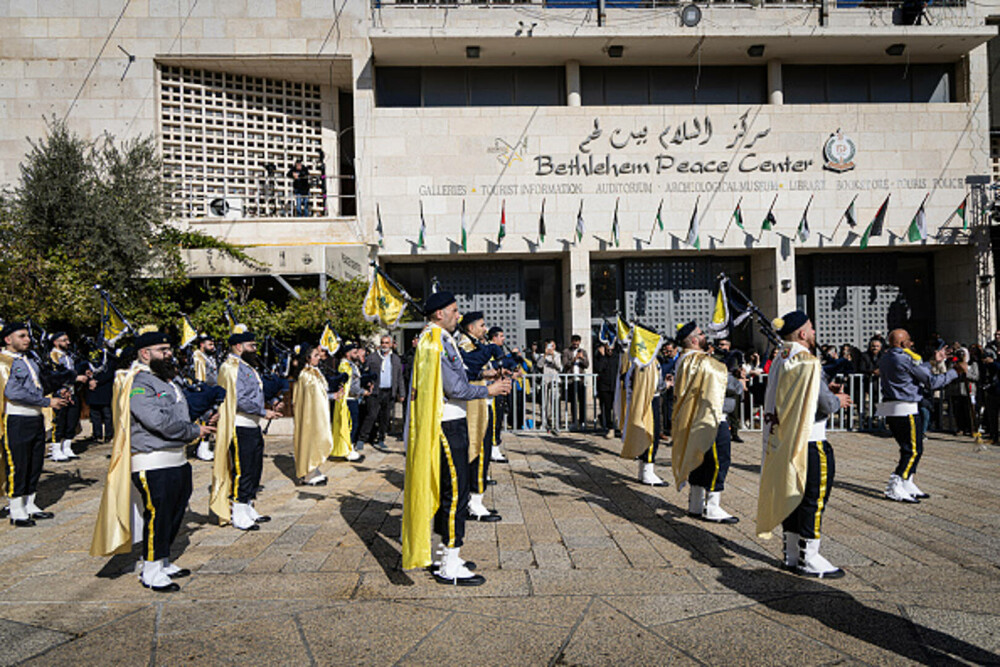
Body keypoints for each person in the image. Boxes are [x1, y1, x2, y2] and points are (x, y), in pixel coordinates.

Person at [90, 326, 215, 592]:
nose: (169, 354)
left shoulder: (165, 379)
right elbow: (156, 420)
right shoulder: (137, 382)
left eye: (169, 349)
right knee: (157, 517)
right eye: (163, 350)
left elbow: (180, 412)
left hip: (176, 458)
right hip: (152, 461)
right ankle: (151, 569)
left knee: (173, 513)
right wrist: (194, 431)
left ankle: (163, 559)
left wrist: (203, 416)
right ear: (145, 354)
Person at [400, 291, 511, 586]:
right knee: (456, 494)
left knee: (449, 493)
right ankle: (449, 562)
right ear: (439, 314)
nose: (458, 316)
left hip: (447, 423)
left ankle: (443, 554)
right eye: (454, 310)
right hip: (448, 425)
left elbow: (462, 373)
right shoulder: (437, 341)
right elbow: (457, 388)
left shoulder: (434, 338)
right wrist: (490, 390)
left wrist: (486, 376)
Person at [757, 311, 851, 578]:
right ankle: (809, 557)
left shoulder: (781, 357)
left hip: (785, 440)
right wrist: (838, 401)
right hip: (810, 440)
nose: (812, 332)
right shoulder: (807, 361)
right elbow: (823, 404)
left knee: (791, 495)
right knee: (812, 499)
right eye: (810, 328)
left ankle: (791, 553)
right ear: (801, 334)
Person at [209, 325, 283, 531]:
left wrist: (273, 400)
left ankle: (248, 505)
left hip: (252, 425)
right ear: (239, 346)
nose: (255, 349)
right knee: (242, 470)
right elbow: (238, 399)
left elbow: (256, 392)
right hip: (240, 425)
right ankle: (238, 511)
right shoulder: (230, 367)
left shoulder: (247, 366)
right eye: (251, 345)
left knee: (254, 468)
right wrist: (263, 411)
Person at [877, 328, 963, 503]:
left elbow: (912, 372)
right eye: (909, 340)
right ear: (903, 343)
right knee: (913, 450)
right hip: (906, 408)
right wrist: (955, 372)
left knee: (907, 447)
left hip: (892, 408)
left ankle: (907, 482)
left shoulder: (886, 357)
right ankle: (896, 482)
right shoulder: (905, 358)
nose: (912, 343)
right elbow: (932, 381)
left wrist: (932, 361)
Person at [671, 321, 742, 524]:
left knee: (699, 460)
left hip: (692, 419)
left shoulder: (683, 360)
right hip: (711, 419)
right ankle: (712, 506)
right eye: (701, 334)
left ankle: (695, 504)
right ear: (694, 340)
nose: (704, 337)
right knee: (718, 460)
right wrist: (738, 381)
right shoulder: (701, 361)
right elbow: (726, 383)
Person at [1, 323, 69, 526]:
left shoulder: (28, 359)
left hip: (35, 417)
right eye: (21, 336)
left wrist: (58, 391)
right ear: (7, 339)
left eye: (27, 336)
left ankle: (30, 503)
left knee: (35, 462)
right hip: (16, 418)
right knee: (18, 463)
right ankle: (16, 509)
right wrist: (48, 402)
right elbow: (12, 392)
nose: (27, 339)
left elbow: (40, 384)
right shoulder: (4, 362)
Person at [456, 312, 513, 521]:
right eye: (481, 325)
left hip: (482, 402)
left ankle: (475, 499)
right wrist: (491, 351)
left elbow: (476, 370)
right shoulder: (464, 345)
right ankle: (474, 502)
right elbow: (468, 366)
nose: (485, 329)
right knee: (477, 450)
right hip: (473, 406)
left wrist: (489, 374)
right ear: (471, 328)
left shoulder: (473, 344)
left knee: (483, 449)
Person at [619, 325, 668, 486]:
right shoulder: (646, 362)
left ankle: (643, 472)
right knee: (650, 435)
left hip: (644, 401)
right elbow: (653, 385)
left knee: (646, 433)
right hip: (649, 401)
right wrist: (666, 384)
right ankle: (648, 472)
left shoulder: (640, 360)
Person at [291, 344, 338, 486]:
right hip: (310, 415)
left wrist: (331, 395)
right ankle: (308, 471)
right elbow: (315, 395)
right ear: (308, 357)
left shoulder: (314, 372)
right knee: (310, 438)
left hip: (315, 412)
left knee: (316, 438)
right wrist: (330, 396)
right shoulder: (306, 375)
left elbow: (321, 391)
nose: (319, 358)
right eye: (316, 355)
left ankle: (314, 468)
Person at [48, 332, 90, 461]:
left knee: (71, 420)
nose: (68, 342)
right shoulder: (52, 356)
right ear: (56, 342)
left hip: (73, 392)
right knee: (59, 421)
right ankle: (55, 449)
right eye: (64, 340)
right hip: (59, 393)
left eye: (67, 340)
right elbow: (54, 375)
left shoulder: (69, 356)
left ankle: (67, 447)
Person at [360, 335, 404, 452]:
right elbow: (365, 373)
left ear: (391, 344)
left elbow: (399, 377)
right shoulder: (373, 357)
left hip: (389, 392)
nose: (384, 345)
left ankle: (381, 439)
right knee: (372, 415)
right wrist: (367, 384)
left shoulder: (395, 359)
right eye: (382, 343)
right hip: (375, 392)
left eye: (386, 343)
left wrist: (401, 393)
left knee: (385, 418)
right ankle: (362, 439)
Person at [331, 343, 365, 462]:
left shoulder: (352, 365)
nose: (357, 354)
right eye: (354, 352)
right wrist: (362, 392)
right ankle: (347, 449)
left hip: (354, 398)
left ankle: (350, 447)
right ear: (347, 353)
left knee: (354, 424)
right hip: (349, 399)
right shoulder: (345, 365)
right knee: (351, 424)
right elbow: (348, 385)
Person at [191, 334, 218, 461]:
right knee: (205, 418)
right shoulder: (198, 357)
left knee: (210, 418)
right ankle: (202, 449)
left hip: (212, 391)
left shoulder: (208, 357)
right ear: (202, 344)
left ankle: (203, 446)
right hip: (205, 391)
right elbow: (200, 377)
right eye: (210, 344)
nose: (213, 347)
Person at [86, 342, 116, 444]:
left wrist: (97, 382)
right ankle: (97, 435)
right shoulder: (89, 357)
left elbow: (110, 373)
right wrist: (89, 380)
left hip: (104, 389)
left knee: (107, 414)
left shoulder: (110, 358)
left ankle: (108, 435)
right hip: (92, 389)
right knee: (95, 415)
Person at [560, 335, 589, 428]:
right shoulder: (566, 352)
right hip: (571, 379)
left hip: (581, 379)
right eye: (574, 342)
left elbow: (587, 365)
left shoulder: (583, 352)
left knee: (582, 401)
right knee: (573, 401)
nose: (576, 344)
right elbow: (565, 364)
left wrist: (582, 358)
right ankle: (574, 421)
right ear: (571, 342)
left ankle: (582, 421)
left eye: (577, 342)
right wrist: (575, 359)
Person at [594, 343, 618, 437]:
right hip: (604, 386)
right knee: (607, 407)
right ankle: (609, 427)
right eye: (608, 348)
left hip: (615, 386)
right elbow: (599, 368)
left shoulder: (617, 356)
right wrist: (603, 356)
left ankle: (618, 426)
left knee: (616, 407)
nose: (610, 350)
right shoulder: (600, 356)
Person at [541, 340, 561, 434]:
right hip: (545, 381)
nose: (550, 348)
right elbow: (539, 365)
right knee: (544, 403)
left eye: (552, 346)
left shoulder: (557, 355)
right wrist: (545, 355)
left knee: (555, 402)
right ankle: (544, 422)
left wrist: (553, 356)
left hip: (554, 380)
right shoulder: (542, 355)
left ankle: (555, 423)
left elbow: (559, 367)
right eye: (548, 346)